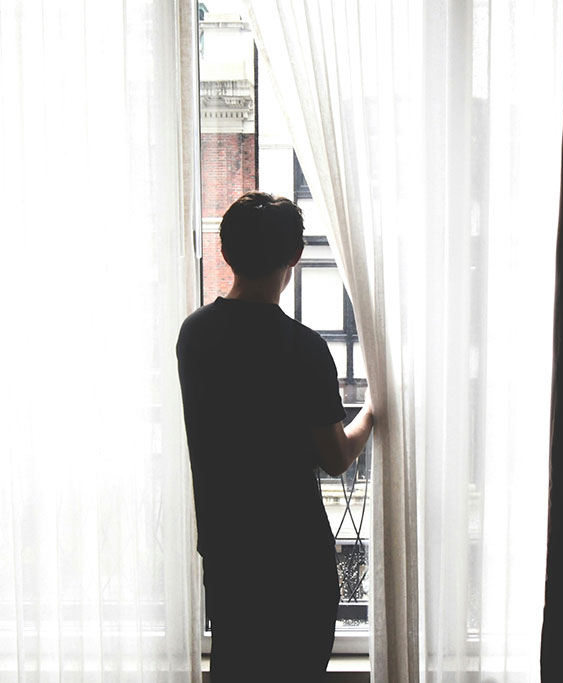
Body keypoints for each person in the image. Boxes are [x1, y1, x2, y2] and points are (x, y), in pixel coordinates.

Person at [176, 191, 374, 681]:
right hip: (293, 558)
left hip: (230, 552)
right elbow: (335, 457)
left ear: (226, 253)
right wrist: (370, 414)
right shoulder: (303, 349)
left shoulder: (194, 334)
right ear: (294, 257)